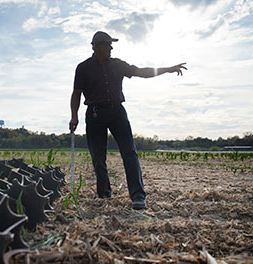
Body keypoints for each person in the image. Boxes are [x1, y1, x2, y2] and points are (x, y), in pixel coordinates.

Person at [69, 31, 187, 210]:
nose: (111, 48)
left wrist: (167, 69)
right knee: (98, 157)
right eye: (108, 45)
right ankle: (104, 195)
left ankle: (138, 196)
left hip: (117, 112)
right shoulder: (83, 68)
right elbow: (76, 93)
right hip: (94, 114)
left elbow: (141, 72)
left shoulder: (118, 64)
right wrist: (74, 116)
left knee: (129, 153)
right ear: (97, 46)